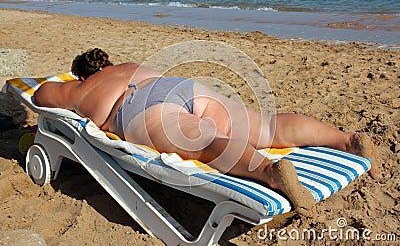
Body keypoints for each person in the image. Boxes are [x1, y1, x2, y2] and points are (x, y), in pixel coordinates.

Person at [34, 48, 378, 216]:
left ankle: (268, 171)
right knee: (266, 125)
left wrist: (74, 89)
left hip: (138, 108)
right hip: (177, 86)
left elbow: (41, 94)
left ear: (82, 75)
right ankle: (346, 140)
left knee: (207, 142)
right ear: (108, 63)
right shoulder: (130, 66)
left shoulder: (82, 90)